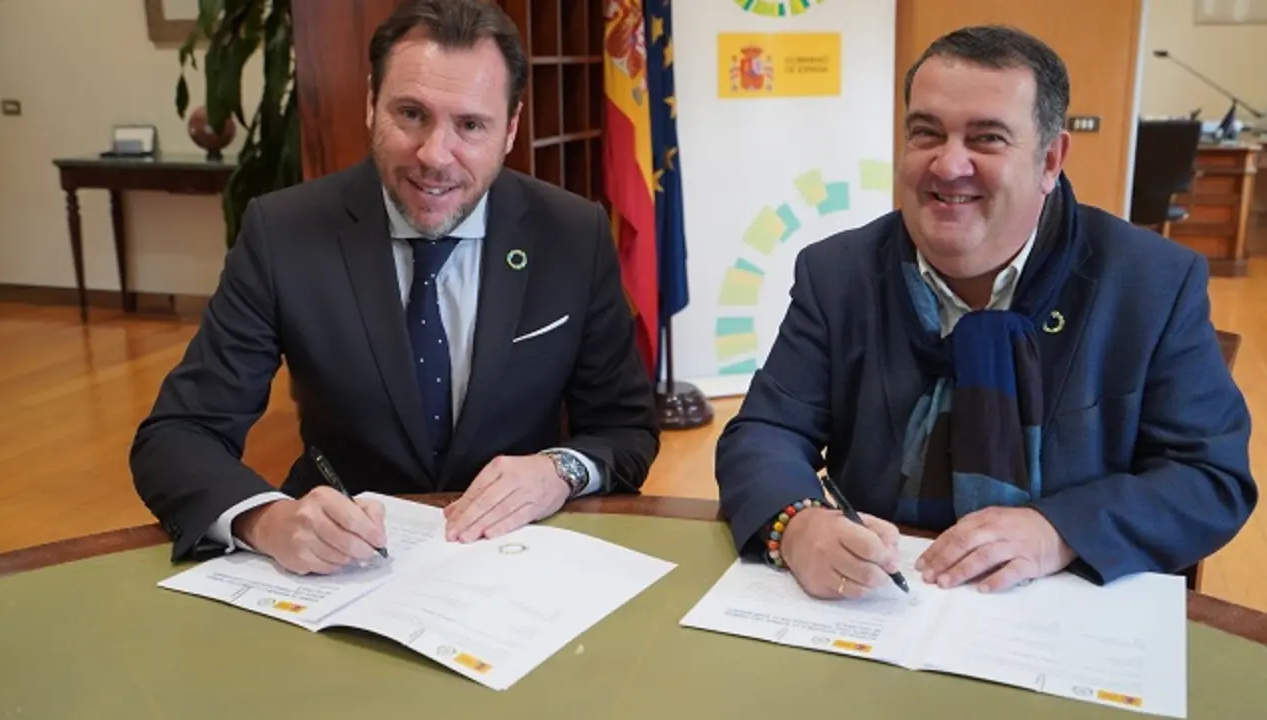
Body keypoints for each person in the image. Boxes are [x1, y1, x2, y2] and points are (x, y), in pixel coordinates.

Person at [714, 25, 1256, 600]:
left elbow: (1209, 478)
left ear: (1051, 160)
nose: (949, 165)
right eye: (926, 133)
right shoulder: (837, 273)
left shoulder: (1151, 283)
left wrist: (1058, 530)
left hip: (1067, 610)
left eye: (987, 138)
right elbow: (765, 431)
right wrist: (798, 523)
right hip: (878, 605)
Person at [130, 0, 658, 574]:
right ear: (370, 105)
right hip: (341, 568)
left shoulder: (573, 234)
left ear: (510, 129)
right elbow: (179, 434)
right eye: (410, 114)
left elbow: (625, 426)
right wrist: (266, 520)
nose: (434, 155)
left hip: (517, 558)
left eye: (471, 125)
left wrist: (561, 470)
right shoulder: (283, 233)